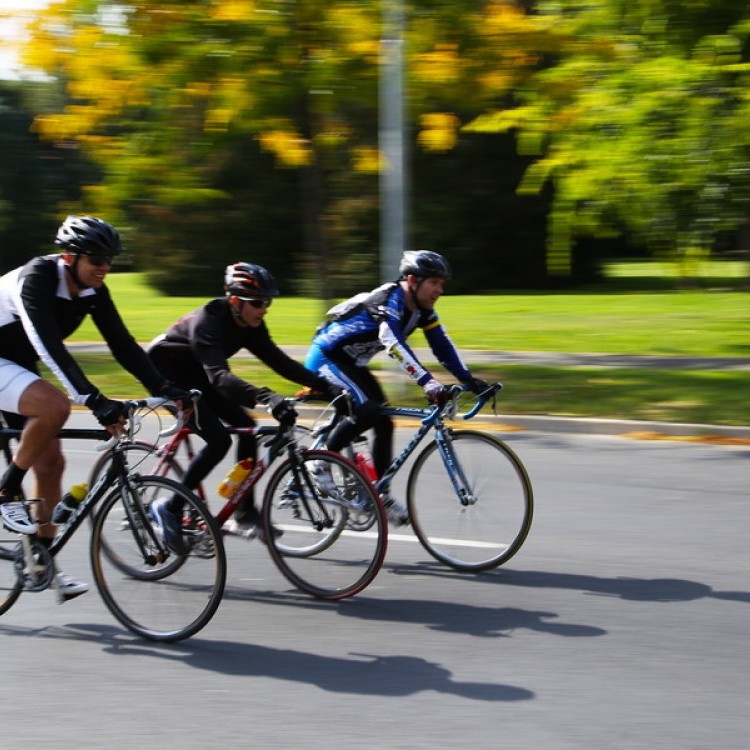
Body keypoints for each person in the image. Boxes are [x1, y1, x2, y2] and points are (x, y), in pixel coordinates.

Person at [0, 215, 190, 600]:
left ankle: (41, 560)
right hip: (10, 357)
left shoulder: (92, 290)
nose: (105, 267)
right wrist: (92, 399)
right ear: (69, 257)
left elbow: (122, 345)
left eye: (109, 259)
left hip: (15, 364)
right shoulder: (37, 277)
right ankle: (6, 492)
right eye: (96, 259)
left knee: (52, 463)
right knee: (56, 407)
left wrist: (167, 389)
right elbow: (47, 345)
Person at [147, 261, 342, 548]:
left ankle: (244, 511)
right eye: (259, 303)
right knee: (218, 439)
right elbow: (219, 377)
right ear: (236, 300)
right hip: (166, 375)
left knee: (247, 427)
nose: (265, 309)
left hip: (200, 375)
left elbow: (280, 362)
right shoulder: (209, 320)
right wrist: (267, 398)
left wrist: (330, 388)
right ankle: (170, 507)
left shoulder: (251, 323)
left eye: (268, 303)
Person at [304, 250, 489, 526]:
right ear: (413, 280)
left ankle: (379, 494)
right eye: (434, 283)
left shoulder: (423, 311)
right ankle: (318, 461)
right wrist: (427, 382)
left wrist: (468, 379)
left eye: (442, 283)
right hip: (327, 358)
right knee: (368, 410)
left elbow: (441, 346)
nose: (440, 289)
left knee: (384, 421)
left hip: (352, 363)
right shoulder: (388, 300)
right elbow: (392, 343)